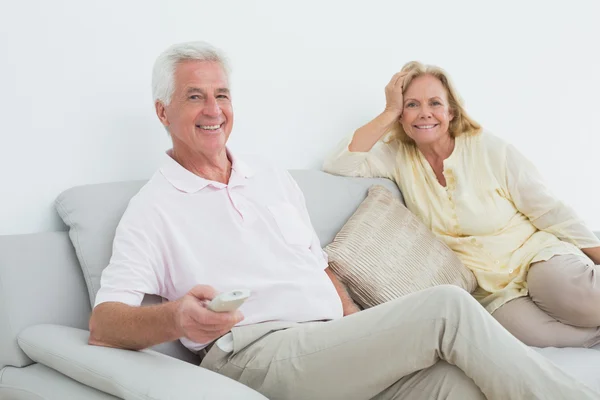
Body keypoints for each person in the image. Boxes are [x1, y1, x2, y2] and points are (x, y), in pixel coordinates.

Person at [88, 42, 600, 400]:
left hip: (333, 345)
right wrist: (176, 317)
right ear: (162, 111)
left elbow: (317, 265)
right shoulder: (152, 208)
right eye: (194, 96)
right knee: (448, 306)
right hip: (256, 354)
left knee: (461, 387)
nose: (213, 109)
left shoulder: (267, 175)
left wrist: (361, 324)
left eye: (221, 94)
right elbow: (104, 324)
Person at [324, 61, 600, 349]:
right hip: (491, 290)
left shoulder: (490, 149)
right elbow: (339, 164)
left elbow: (550, 211)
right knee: (536, 339)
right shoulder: (396, 157)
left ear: (451, 111)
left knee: (568, 294)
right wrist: (388, 111)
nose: (425, 113)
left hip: (535, 257)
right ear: (402, 116)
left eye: (435, 103)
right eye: (412, 105)